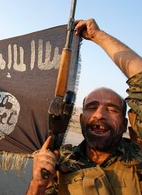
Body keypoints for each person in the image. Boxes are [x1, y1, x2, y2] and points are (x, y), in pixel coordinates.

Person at [27, 18, 142, 195]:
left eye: (112, 109)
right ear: (81, 119)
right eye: (92, 107)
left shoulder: (138, 157)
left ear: (125, 124)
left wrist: (98, 36)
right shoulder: (61, 163)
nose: (99, 115)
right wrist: (37, 185)